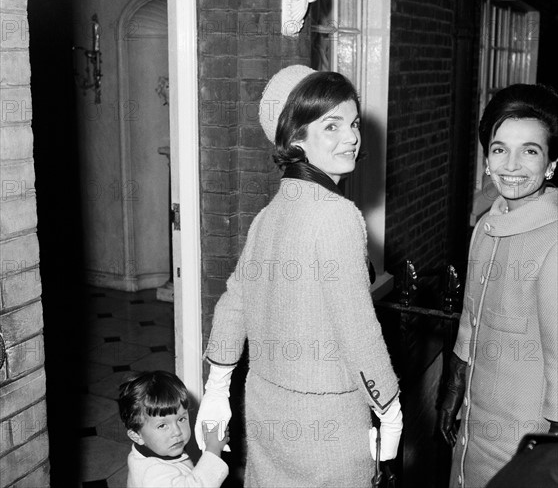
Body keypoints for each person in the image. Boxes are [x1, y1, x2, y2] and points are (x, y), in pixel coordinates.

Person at [194, 65, 402, 487]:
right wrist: (390, 409)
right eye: (332, 126)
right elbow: (357, 329)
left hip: (268, 414)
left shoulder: (267, 218)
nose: (352, 137)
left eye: (354, 123)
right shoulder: (337, 216)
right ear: (296, 140)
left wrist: (217, 389)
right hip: (327, 426)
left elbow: (233, 304)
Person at [438, 84, 558, 487]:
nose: (511, 165)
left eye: (530, 150)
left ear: (551, 163)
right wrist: (453, 384)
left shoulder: (554, 241)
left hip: (523, 440)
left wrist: (548, 454)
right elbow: (471, 320)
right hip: (474, 426)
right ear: (486, 159)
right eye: (499, 148)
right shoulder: (488, 224)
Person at [118, 370, 229, 487]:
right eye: (162, 425)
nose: (177, 432)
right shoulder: (154, 476)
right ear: (137, 436)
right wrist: (213, 449)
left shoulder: (148, 450)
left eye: (181, 419)